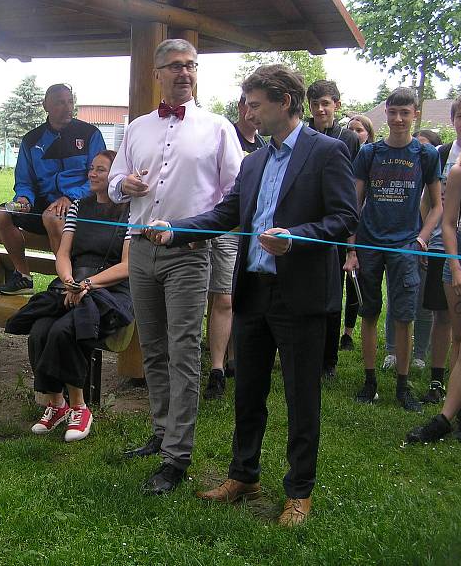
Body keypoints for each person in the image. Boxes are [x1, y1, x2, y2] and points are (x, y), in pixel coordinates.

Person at [146, 63, 358, 526]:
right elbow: (226, 214)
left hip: (298, 295)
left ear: (284, 102)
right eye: (247, 104)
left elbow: (344, 218)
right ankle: (244, 475)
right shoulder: (255, 159)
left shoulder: (327, 152)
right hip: (254, 293)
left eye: (255, 104)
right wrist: (176, 229)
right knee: (249, 391)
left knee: (302, 397)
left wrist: (296, 237)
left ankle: (299, 491)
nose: (248, 112)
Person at [108, 39, 243, 495]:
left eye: (191, 66)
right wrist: (121, 184)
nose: (185, 73)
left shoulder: (217, 128)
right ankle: (161, 431)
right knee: (153, 347)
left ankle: (177, 457)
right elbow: (112, 182)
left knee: (184, 350)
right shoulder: (138, 128)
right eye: (175, 66)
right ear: (157, 73)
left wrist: (194, 227)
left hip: (188, 253)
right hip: (141, 249)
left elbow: (236, 194)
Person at [5, 150, 132, 442]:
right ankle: (56, 403)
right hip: (73, 282)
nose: (92, 174)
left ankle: (80, 407)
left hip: (110, 289)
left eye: (101, 169)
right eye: (92, 168)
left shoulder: (130, 211)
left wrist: (87, 284)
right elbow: (63, 253)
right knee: (39, 329)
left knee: (65, 330)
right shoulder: (79, 206)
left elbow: (126, 267)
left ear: (117, 175)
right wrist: (69, 281)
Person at [344, 87, 442, 412]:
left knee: (404, 316)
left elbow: (439, 206)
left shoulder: (426, 155)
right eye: (393, 113)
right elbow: (353, 204)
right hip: (370, 244)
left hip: (405, 248)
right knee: (369, 313)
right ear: (386, 114)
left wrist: (422, 239)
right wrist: (352, 246)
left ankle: (403, 384)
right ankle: (369, 381)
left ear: (415, 114)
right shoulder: (369, 153)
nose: (399, 119)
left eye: (405, 113)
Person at [0, 83, 106, 295]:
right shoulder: (32, 140)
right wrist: (24, 199)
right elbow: (24, 180)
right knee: (3, 214)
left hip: (81, 204)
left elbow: (99, 178)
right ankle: (23, 276)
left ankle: (68, 281)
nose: (67, 108)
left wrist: (70, 197)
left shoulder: (90, 134)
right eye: (60, 103)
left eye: (70, 102)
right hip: (43, 202)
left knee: (53, 216)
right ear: (45, 105)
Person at [203, 96, 267, 399]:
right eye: (249, 107)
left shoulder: (265, 148)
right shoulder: (225, 135)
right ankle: (216, 369)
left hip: (250, 233)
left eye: (259, 107)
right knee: (223, 298)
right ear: (240, 107)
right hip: (222, 228)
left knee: (232, 296)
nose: (254, 114)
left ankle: (231, 358)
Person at [407, 145, 461, 443]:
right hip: (459, 255)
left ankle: (445, 418)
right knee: (460, 342)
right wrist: (455, 267)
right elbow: (448, 222)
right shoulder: (460, 169)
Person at [384, 127, 449, 383]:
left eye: (424, 146)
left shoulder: (433, 161)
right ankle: (392, 351)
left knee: (424, 302)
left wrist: (423, 238)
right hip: (407, 240)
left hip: (431, 242)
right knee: (397, 299)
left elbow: (437, 205)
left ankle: (420, 353)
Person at [306, 80, 361, 378]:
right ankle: (303, 351)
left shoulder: (349, 138)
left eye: (325, 103)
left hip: (335, 225)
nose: (320, 109)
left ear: (336, 105)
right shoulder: (303, 132)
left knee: (332, 294)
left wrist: (350, 241)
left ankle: (328, 359)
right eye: (314, 104)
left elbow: (352, 188)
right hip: (306, 220)